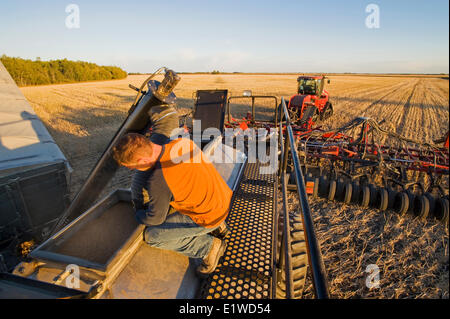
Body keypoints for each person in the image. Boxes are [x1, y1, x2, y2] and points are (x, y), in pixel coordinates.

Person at [112, 131, 232, 276]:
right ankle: (219, 226)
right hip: (222, 199)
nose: (132, 170)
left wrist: (138, 214)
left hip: (208, 217)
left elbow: (155, 218)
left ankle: (208, 247)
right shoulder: (181, 143)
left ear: (143, 161)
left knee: (152, 236)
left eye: (131, 167)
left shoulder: (158, 181)